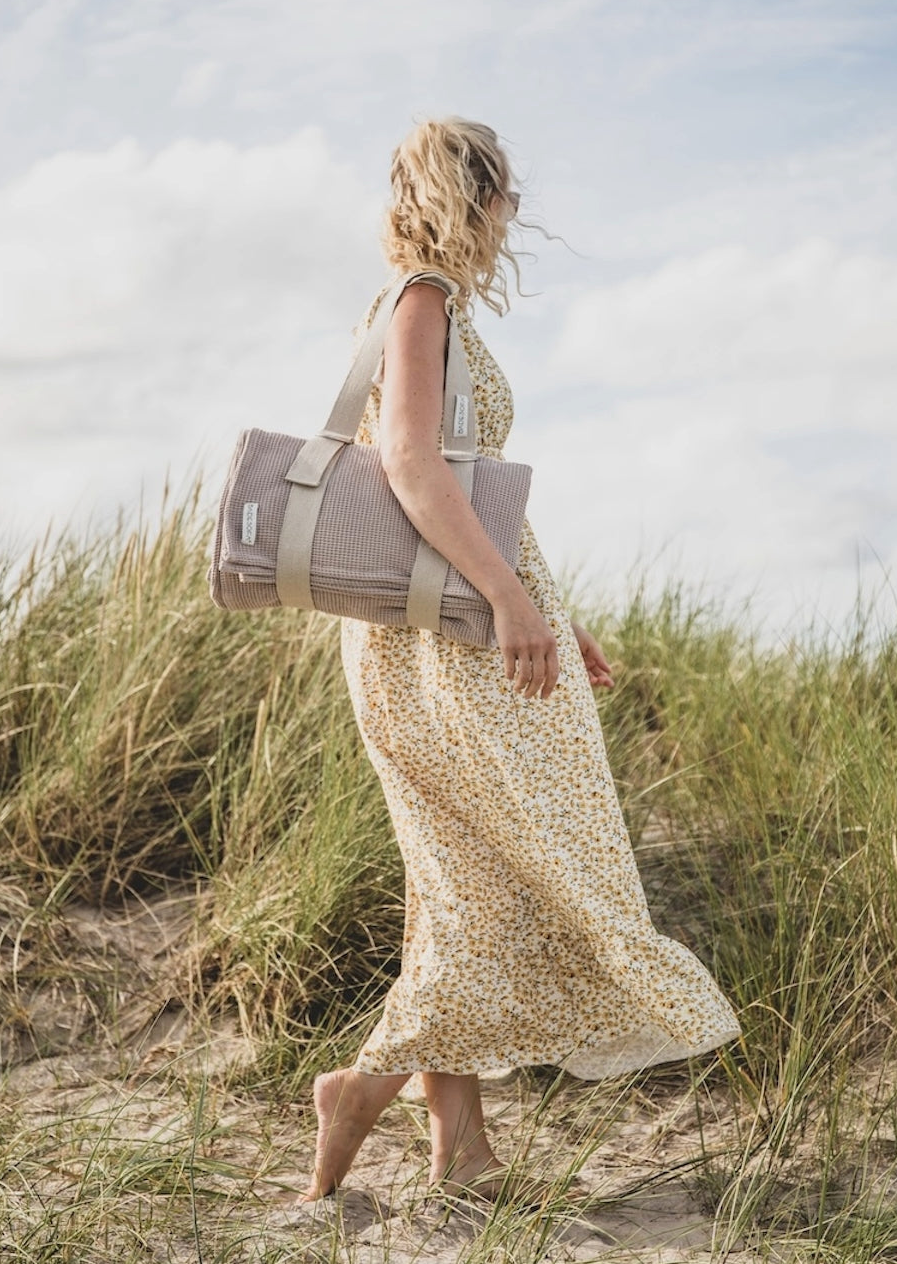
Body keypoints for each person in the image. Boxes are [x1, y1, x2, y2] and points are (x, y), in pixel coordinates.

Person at [301, 118, 741, 1203]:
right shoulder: (420, 301)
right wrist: (507, 598)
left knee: (456, 876)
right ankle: (363, 1087)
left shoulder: (429, 306)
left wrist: (552, 604)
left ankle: (462, 1152)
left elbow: (466, 482)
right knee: (491, 877)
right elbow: (408, 461)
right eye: (506, 200)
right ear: (476, 197)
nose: (513, 222)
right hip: (439, 642)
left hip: (449, 624)